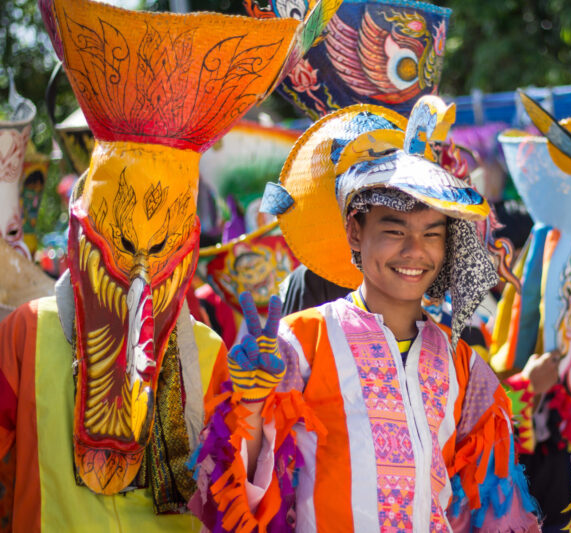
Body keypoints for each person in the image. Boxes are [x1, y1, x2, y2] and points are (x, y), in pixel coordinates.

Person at [0, 0, 329, 529]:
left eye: (165, 239)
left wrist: (247, 408)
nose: (139, 268)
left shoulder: (207, 351)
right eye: (120, 235)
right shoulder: (26, 334)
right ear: (83, 222)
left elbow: (237, 503)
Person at [190, 97, 542, 532]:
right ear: (356, 232)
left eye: (432, 234)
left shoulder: (461, 365)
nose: (415, 251)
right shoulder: (300, 343)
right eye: (394, 231)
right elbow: (245, 493)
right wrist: (250, 405)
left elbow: (485, 506)